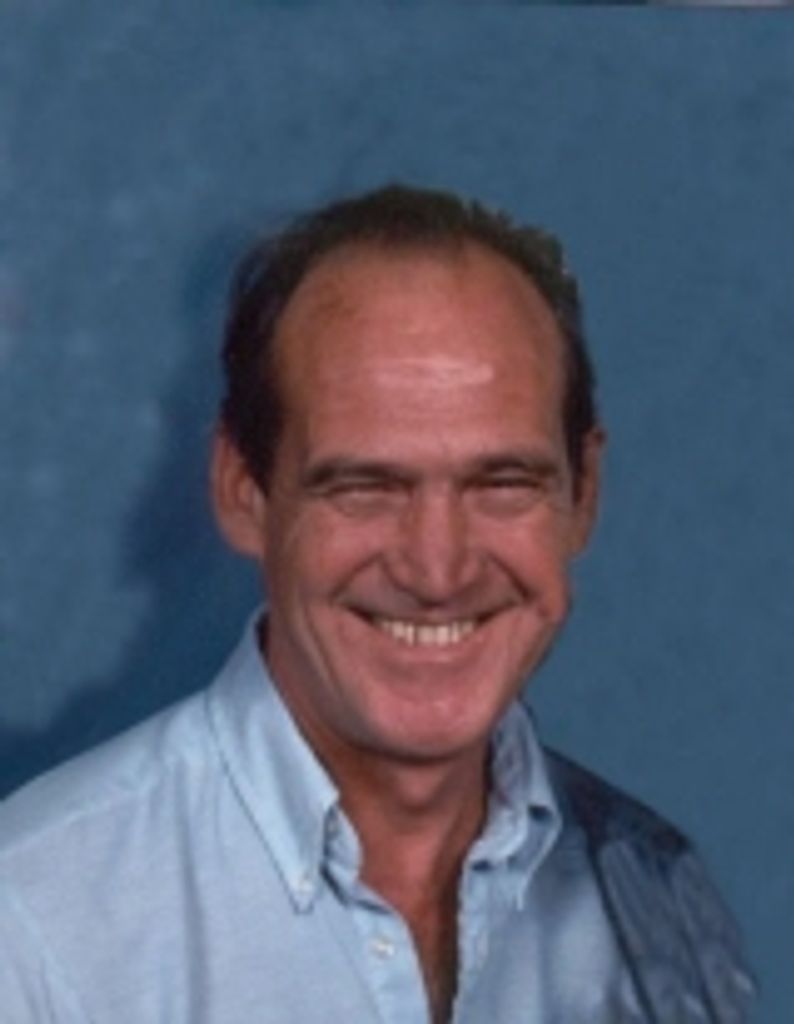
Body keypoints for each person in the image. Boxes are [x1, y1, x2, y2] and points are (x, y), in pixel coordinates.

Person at [0, 185, 755, 1023]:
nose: (437, 570)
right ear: (242, 491)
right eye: (365, 487)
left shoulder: (660, 900)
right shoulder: (32, 926)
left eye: (502, 483)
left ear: (584, 495)